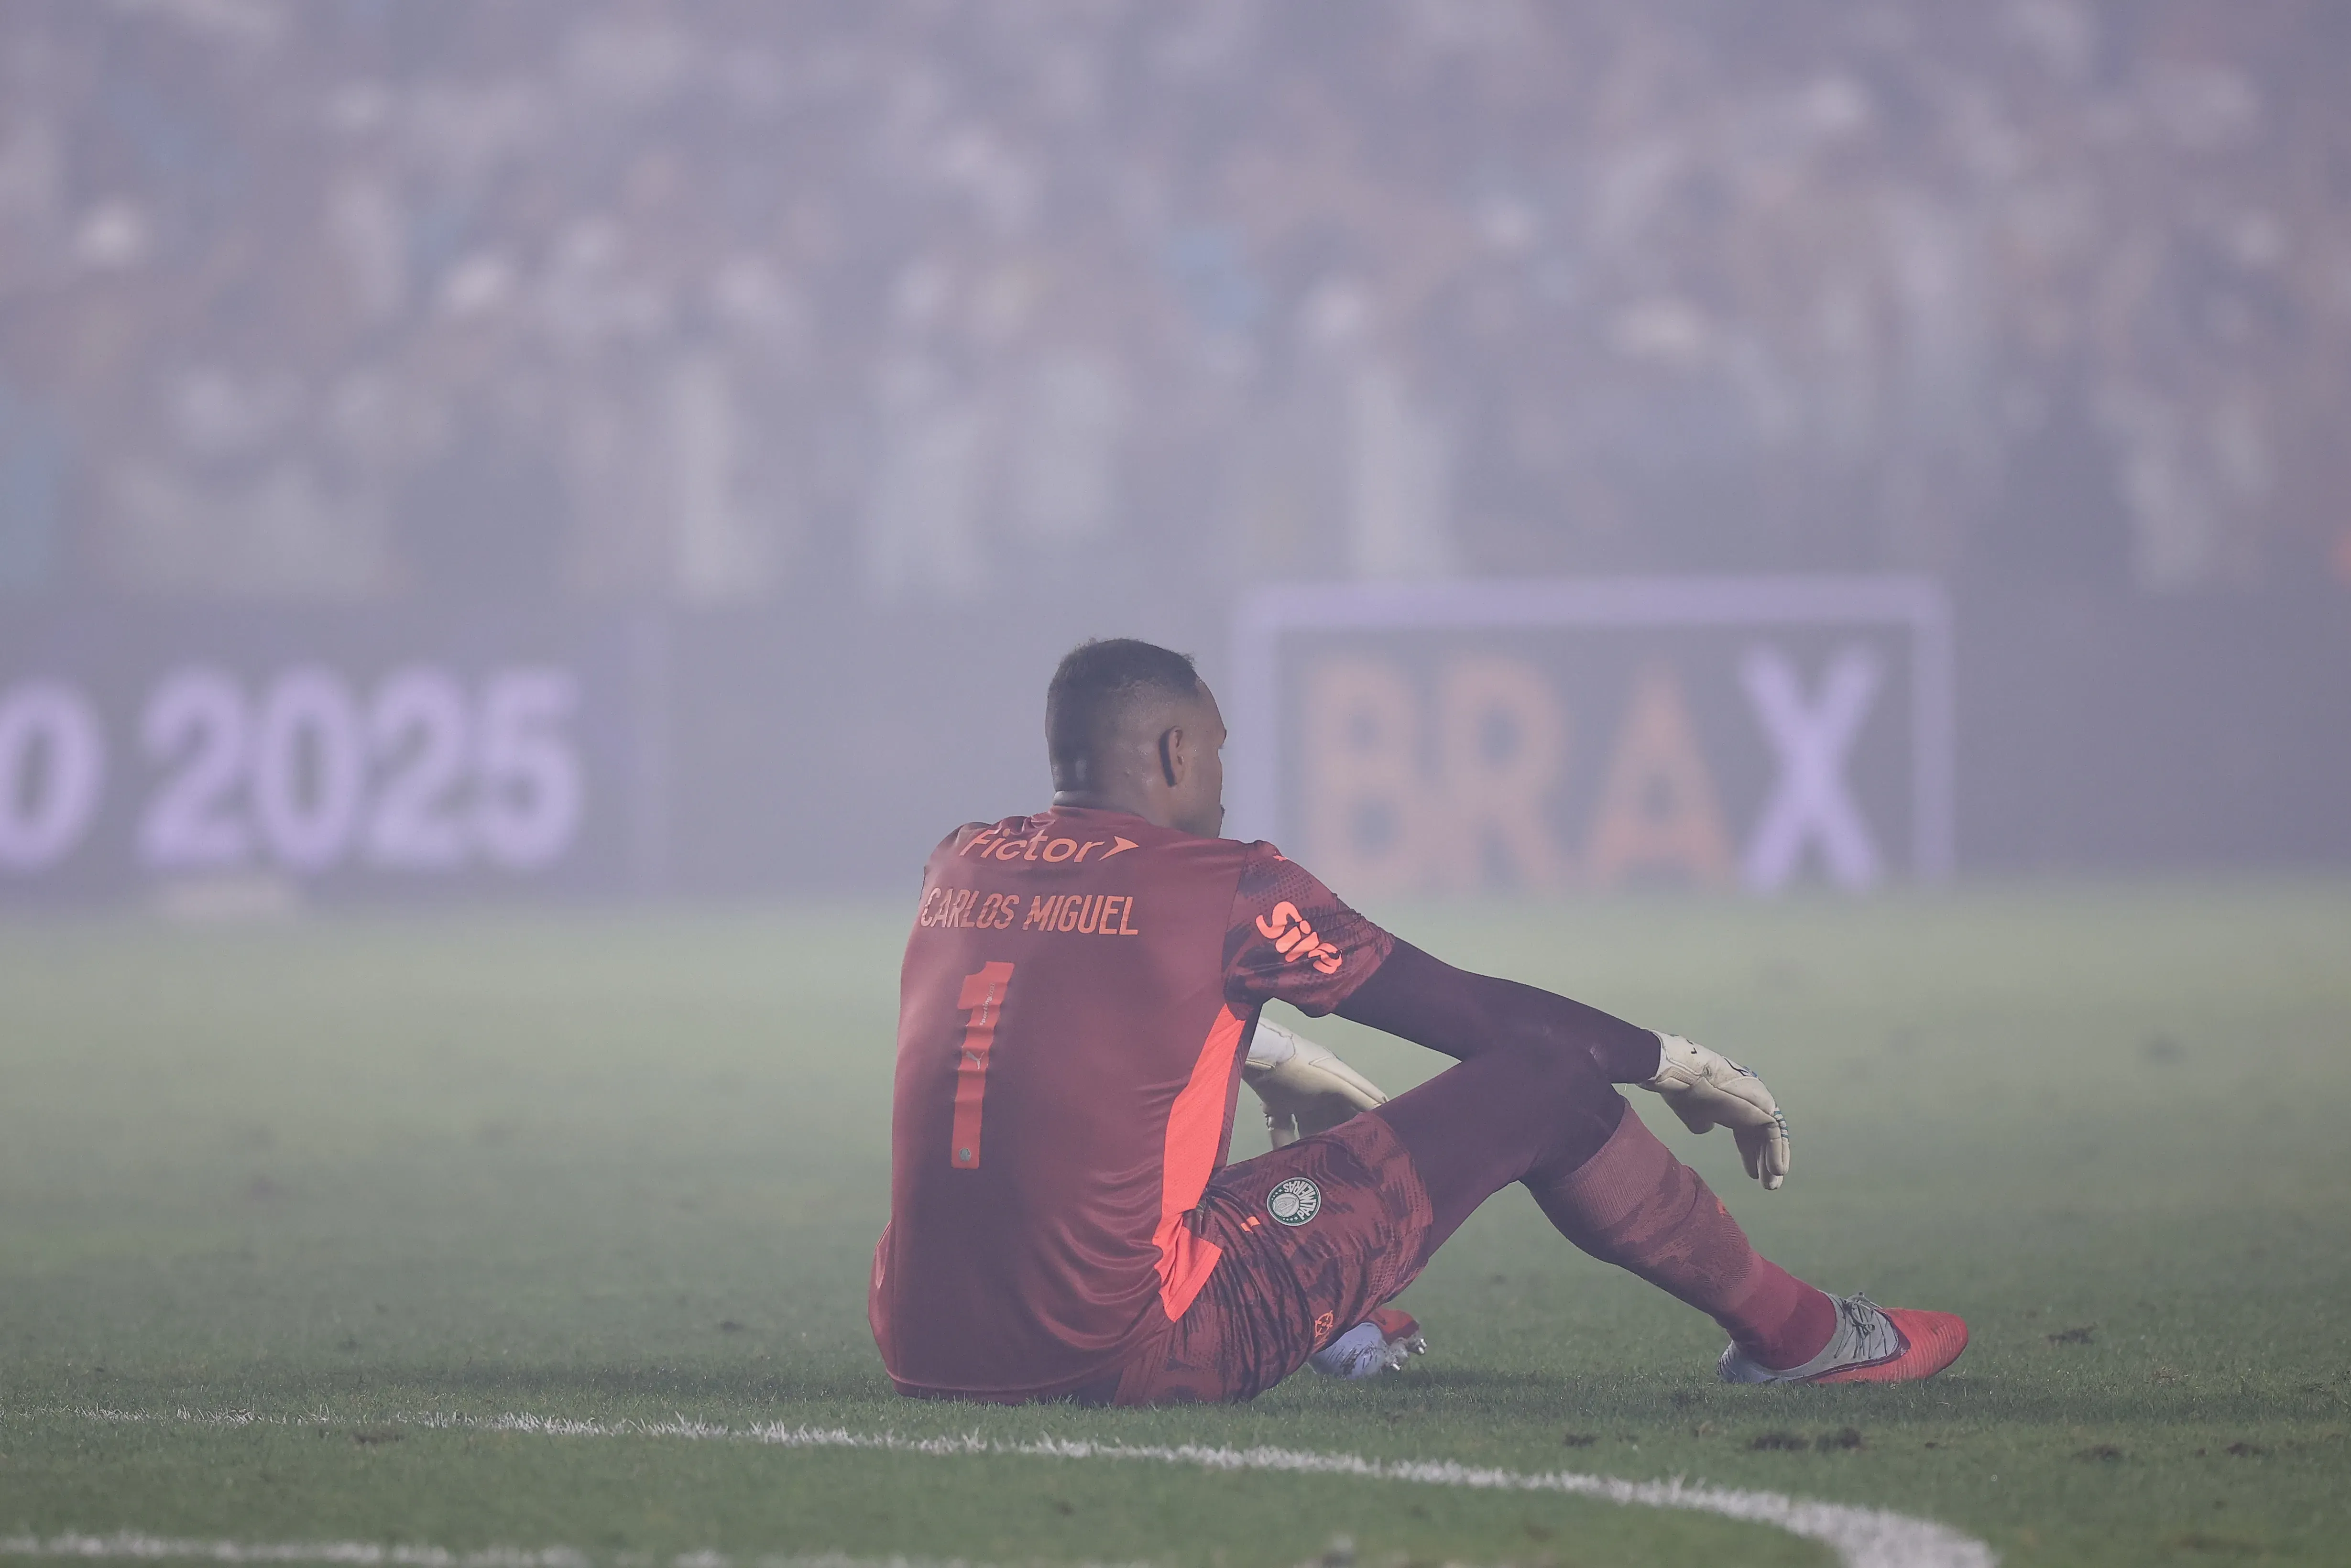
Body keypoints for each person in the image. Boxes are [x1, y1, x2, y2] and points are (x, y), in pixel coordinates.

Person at [868, 638, 1967, 1405]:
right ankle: (1801, 1336)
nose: (1218, 779)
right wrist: (1671, 1061)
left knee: (1209, 1171)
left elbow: (1059, 1019)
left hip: (919, 1342)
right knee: (1546, 1083)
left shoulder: (960, 861)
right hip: (1126, 1352)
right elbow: (1482, 1021)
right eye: (1215, 751)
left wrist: (1268, 1047)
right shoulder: (1228, 883)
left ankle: (1344, 1319)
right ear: (1170, 755)